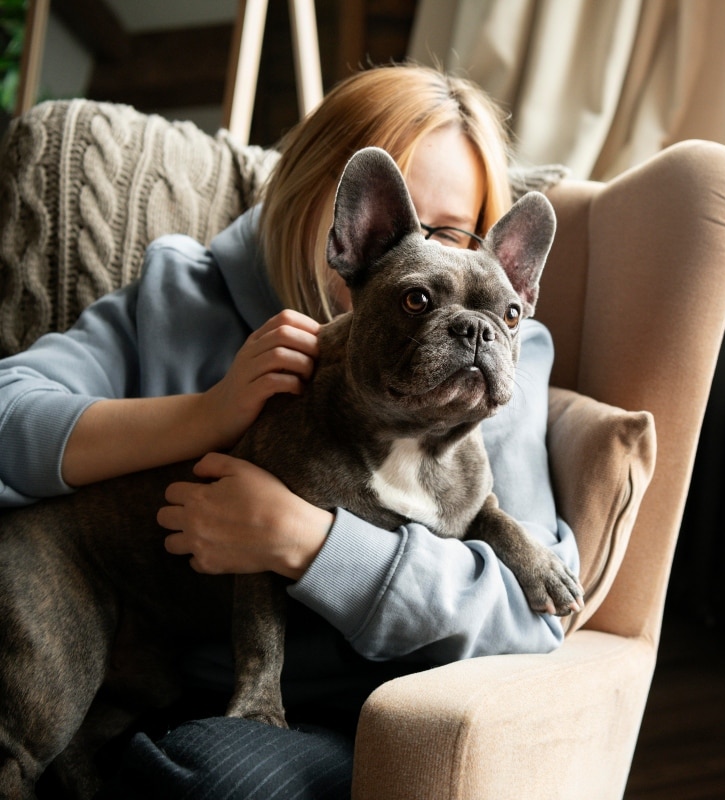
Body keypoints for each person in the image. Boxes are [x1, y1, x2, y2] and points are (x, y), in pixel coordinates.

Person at [0, 64, 578, 798]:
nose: (413, 244)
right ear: (335, 207)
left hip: (337, 711)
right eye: (380, 212)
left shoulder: (494, 366)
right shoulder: (183, 292)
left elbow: (535, 622)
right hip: (129, 641)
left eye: (452, 232)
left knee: (205, 783)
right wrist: (208, 413)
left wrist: (310, 545)